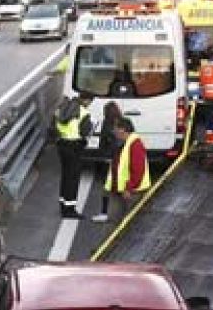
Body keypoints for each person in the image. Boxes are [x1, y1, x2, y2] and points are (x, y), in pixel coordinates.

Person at [99, 109, 147, 223]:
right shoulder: (122, 144)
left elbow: (138, 170)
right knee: (115, 223)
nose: (113, 131)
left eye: (115, 128)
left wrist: (129, 188)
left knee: (129, 224)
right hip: (119, 190)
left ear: (123, 130)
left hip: (129, 192)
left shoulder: (135, 145)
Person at [53, 91, 91, 219]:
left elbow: (54, 123)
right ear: (87, 100)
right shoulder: (83, 112)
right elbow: (85, 132)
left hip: (61, 145)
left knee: (65, 176)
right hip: (74, 147)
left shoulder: (64, 106)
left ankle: (63, 205)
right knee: (73, 179)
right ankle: (70, 210)